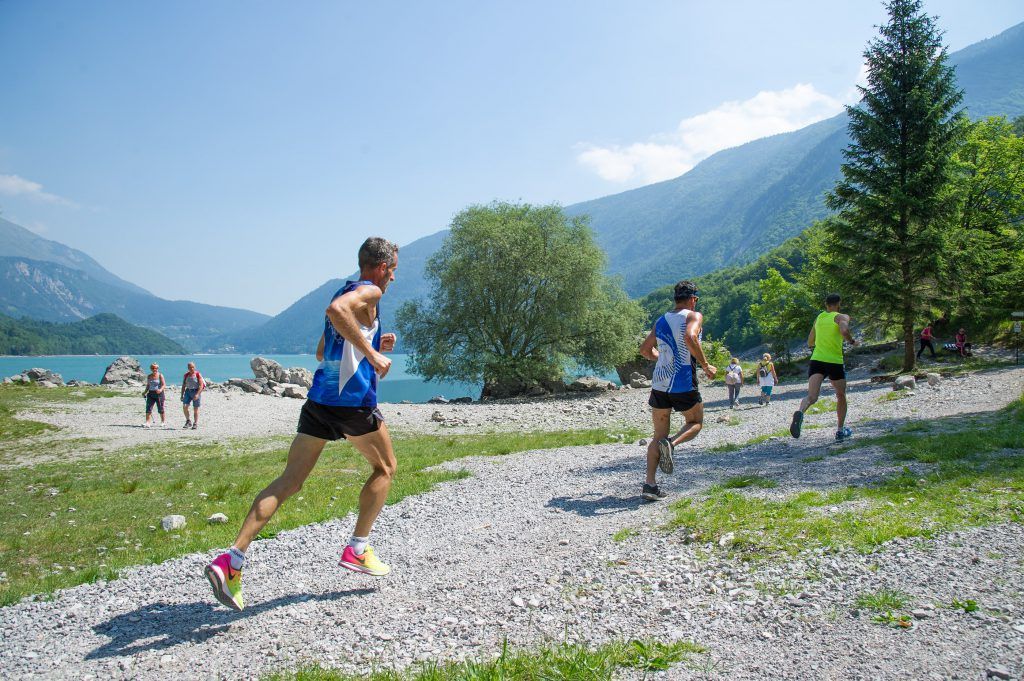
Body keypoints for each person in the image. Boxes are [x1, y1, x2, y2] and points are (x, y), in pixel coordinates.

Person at [205, 237, 400, 611]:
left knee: (289, 481)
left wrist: (373, 340)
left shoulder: (348, 288)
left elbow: (323, 351)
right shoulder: (369, 290)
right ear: (380, 267)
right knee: (386, 467)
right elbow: (335, 311)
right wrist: (373, 354)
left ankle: (231, 560)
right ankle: (357, 548)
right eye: (392, 271)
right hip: (352, 404)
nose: (392, 279)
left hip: (318, 403)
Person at [639, 280, 717, 501]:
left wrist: (661, 357)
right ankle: (671, 445)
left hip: (659, 384)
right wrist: (705, 364)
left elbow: (645, 349)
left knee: (657, 435)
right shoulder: (694, 316)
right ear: (693, 299)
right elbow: (690, 337)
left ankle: (650, 485)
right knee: (696, 422)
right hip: (683, 381)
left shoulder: (661, 320)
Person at [789, 293, 858, 441]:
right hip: (834, 362)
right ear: (839, 303)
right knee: (840, 395)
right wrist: (852, 342)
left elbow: (810, 341)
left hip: (817, 360)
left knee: (812, 397)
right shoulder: (841, 316)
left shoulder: (819, 318)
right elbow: (844, 331)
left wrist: (820, 346)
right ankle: (840, 430)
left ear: (826, 305)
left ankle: (800, 412)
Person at [180, 362, 205, 429]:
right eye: (190, 367)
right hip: (188, 391)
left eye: (192, 367)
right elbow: (183, 385)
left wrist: (197, 394)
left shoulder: (198, 374)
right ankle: (188, 421)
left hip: (196, 391)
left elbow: (201, 385)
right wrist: (182, 395)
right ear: (188, 368)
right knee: (185, 406)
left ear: (195, 367)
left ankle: (195, 423)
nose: (191, 368)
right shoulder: (186, 375)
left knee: (195, 408)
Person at [144, 363, 166, 428]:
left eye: (156, 368)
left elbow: (164, 384)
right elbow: (148, 385)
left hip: (159, 394)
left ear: (157, 369)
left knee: (160, 408)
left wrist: (160, 390)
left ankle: (163, 422)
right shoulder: (149, 376)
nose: (154, 369)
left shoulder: (160, 375)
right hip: (150, 393)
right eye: (153, 368)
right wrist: (145, 392)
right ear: (151, 369)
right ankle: (147, 422)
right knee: (148, 408)